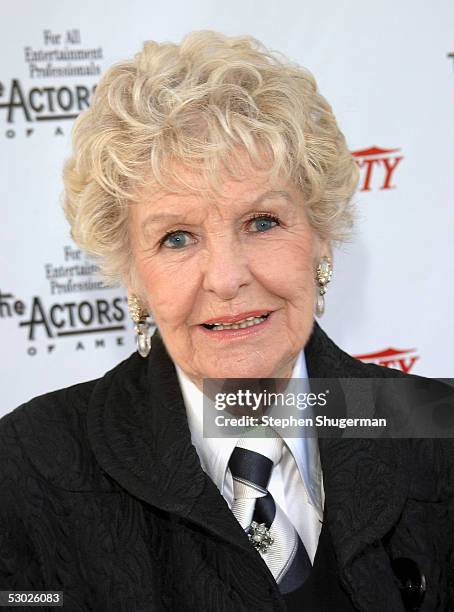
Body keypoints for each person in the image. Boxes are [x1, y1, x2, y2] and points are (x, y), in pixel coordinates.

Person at [0, 31, 452, 612]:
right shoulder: (30, 468)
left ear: (321, 239)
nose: (226, 277)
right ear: (132, 274)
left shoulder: (434, 429)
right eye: (177, 237)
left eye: (262, 222)